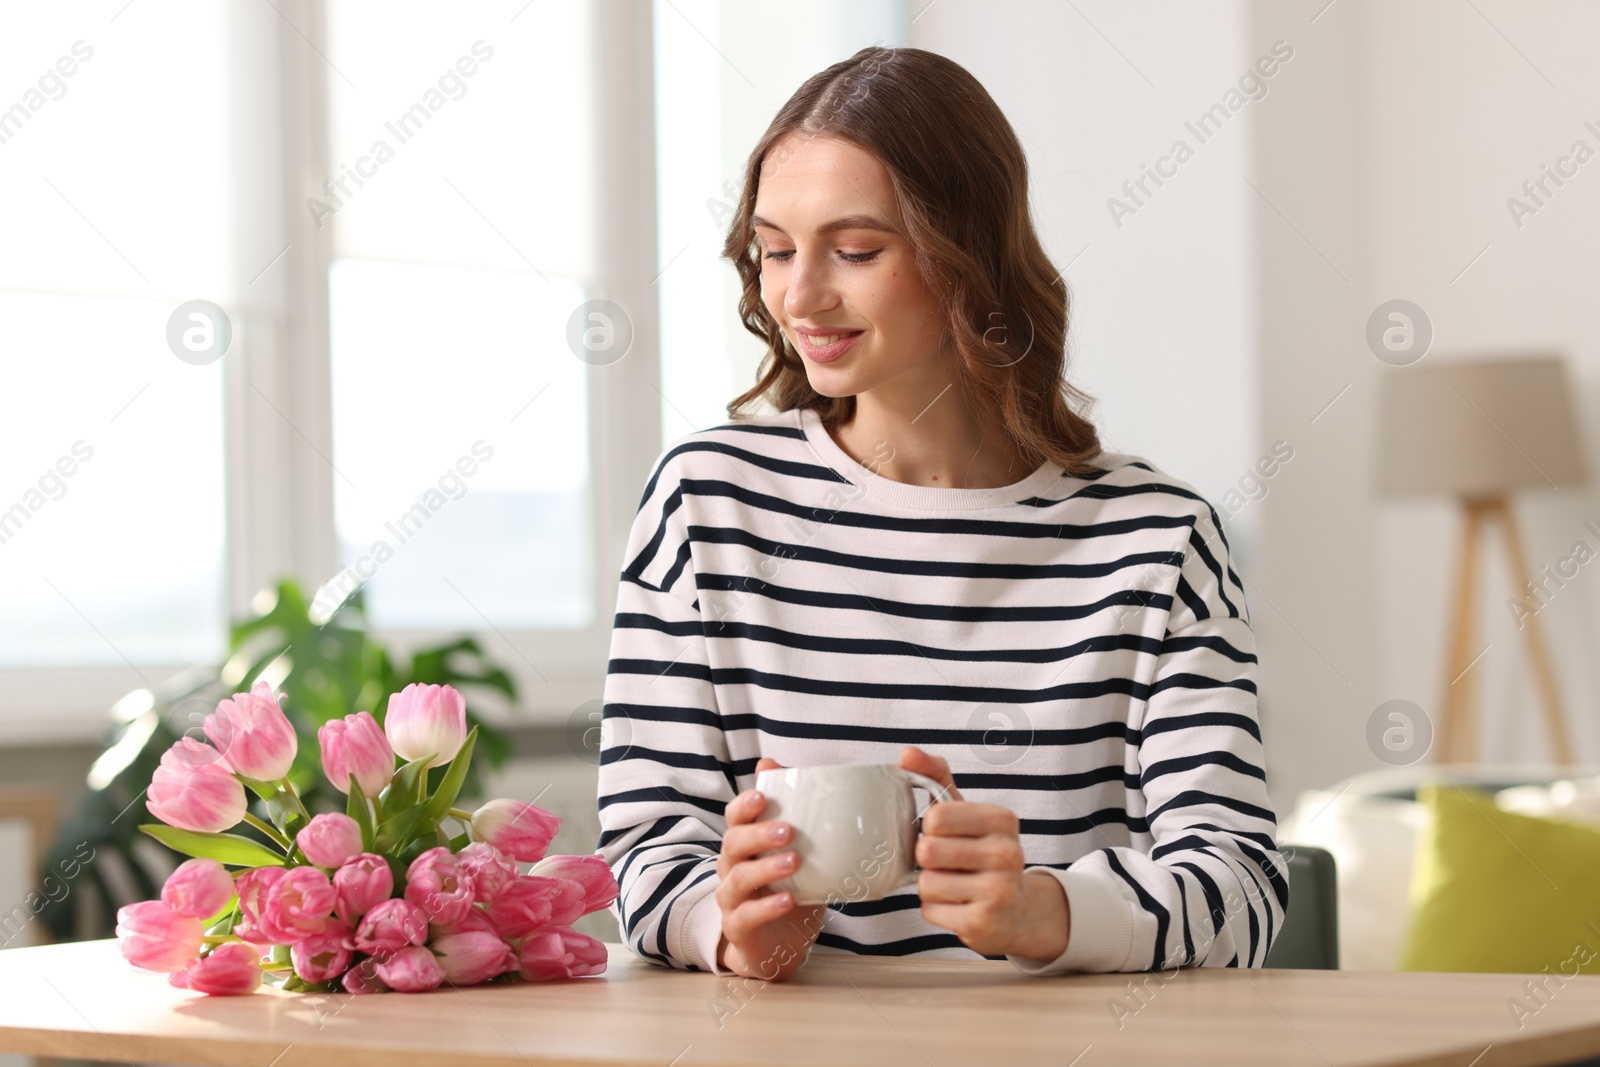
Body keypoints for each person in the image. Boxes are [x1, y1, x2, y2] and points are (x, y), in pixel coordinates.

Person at [596, 46, 1285, 982]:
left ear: (967, 256)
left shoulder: (1156, 540)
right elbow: (642, 849)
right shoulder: (706, 505)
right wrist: (726, 930)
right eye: (776, 249)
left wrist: (1045, 910)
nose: (801, 296)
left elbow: (1241, 884)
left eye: (855, 251)